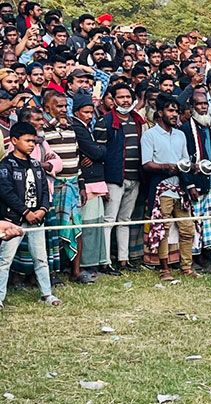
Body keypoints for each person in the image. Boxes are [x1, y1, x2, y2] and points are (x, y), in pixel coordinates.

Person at [0, 121, 59, 309]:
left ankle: (47, 293)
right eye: (27, 141)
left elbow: (44, 189)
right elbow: (6, 192)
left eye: (34, 142)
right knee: (5, 260)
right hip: (13, 220)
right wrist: (26, 212)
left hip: (37, 219)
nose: (31, 145)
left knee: (41, 258)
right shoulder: (6, 165)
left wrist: (42, 209)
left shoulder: (36, 165)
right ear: (14, 140)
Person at [141, 94, 198, 281]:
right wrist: (166, 166)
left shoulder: (180, 134)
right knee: (162, 229)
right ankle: (164, 268)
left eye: (176, 111)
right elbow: (146, 164)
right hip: (161, 188)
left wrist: (190, 180)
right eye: (170, 111)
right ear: (160, 113)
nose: (174, 115)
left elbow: (184, 162)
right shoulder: (150, 135)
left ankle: (186, 267)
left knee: (187, 228)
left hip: (180, 188)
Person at [96, 82, 146, 272]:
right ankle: (105, 261)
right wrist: (102, 181)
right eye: (121, 97)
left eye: (128, 97)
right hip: (114, 177)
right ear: (113, 100)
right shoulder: (105, 121)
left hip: (135, 177)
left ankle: (124, 260)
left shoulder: (138, 120)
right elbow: (100, 152)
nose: (125, 100)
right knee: (109, 220)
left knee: (125, 220)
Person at [42, 88, 86, 283]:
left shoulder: (70, 127)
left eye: (65, 106)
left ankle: (76, 272)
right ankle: (51, 273)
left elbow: (77, 158)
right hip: (53, 186)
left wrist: (82, 185)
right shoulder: (42, 130)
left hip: (73, 184)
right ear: (46, 107)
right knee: (53, 231)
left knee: (76, 228)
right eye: (58, 106)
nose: (63, 109)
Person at [71, 92, 111, 279]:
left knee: (95, 223)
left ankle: (92, 263)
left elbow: (97, 152)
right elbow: (98, 152)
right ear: (77, 112)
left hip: (94, 180)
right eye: (86, 112)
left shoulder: (86, 127)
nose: (89, 116)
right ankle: (85, 264)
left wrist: (97, 152)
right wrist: (97, 152)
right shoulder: (78, 128)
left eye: (91, 112)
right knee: (87, 225)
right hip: (86, 182)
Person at [181, 90, 211, 270]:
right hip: (195, 184)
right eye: (199, 104)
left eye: (205, 103)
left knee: (208, 222)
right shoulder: (185, 129)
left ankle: (205, 256)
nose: (203, 107)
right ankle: (194, 258)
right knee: (194, 222)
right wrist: (190, 184)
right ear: (192, 107)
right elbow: (183, 160)